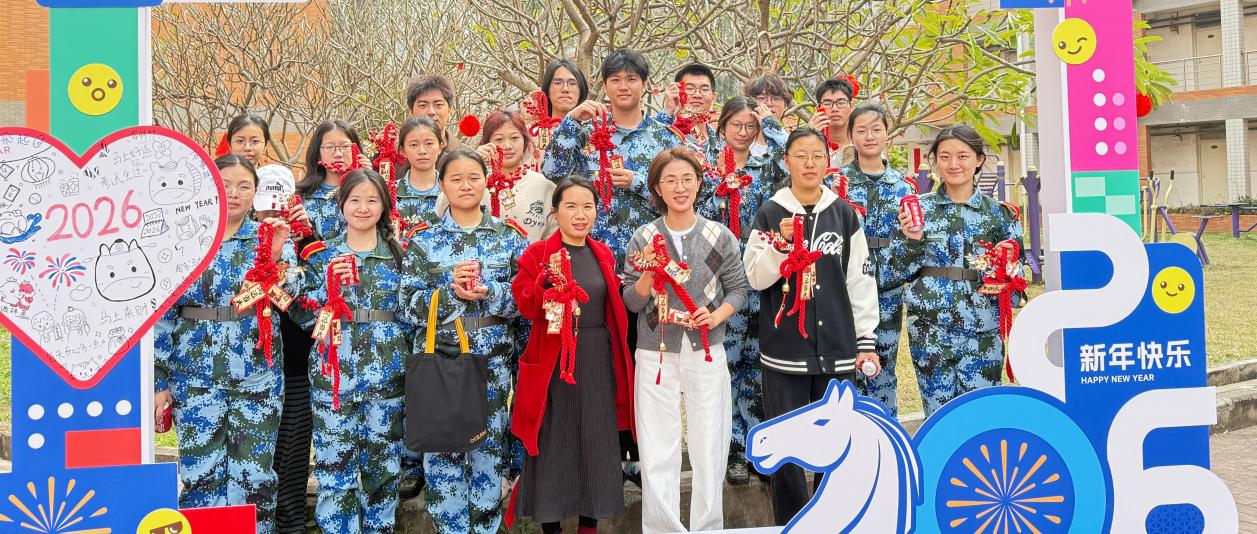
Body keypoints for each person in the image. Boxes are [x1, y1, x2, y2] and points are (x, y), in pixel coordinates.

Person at [154, 155, 301, 533]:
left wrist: (273, 260)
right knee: (201, 474)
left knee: (255, 477)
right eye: (225, 184)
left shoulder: (270, 237)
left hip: (258, 377)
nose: (234, 193)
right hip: (194, 376)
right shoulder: (185, 239)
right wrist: (158, 380)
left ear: (255, 193)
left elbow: (292, 295)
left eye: (244, 186)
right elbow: (163, 314)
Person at [742, 128, 880, 526]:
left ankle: (832, 519)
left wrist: (865, 340)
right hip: (785, 349)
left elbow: (859, 280)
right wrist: (778, 246)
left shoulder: (844, 214)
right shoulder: (770, 213)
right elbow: (755, 277)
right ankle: (792, 522)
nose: (809, 163)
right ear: (786, 160)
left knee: (836, 441)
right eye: (800, 155)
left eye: (817, 155)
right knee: (785, 441)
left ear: (827, 161)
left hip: (837, 346)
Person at [401, 147, 528, 534]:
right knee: (444, 458)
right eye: (455, 179)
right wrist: (451, 295)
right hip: (444, 364)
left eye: (474, 177)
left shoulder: (510, 237)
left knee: (488, 456)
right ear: (441, 185)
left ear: (486, 181)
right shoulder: (423, 242)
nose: (466, 185)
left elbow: (526, 302)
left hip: (493, 367)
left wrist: (492, 291)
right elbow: (408, 307)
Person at [622, 148, 748, 534]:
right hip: (655, 350)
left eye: (687, 179)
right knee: (658, 444)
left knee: (710, 441)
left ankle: (708, 527)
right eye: (670, 181)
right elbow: (631, 300)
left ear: (698, 183)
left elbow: (738, 290)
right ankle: (663, 528)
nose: (680, 188)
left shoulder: (719, 235)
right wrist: (648, 271)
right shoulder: (643, 236)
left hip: (705, 347)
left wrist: (716, 315)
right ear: (657, 189)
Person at [508, 177, 635, 534]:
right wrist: (546, 281)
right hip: (554, 361)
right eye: (571, 207)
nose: (580, 215)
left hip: (597, 357)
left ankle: (588, 525)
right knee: (553, 440)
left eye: (587, 207)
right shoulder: (537, 254)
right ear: (555, 212)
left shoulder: (603, 253)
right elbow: (526, 306)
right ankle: (551, 527)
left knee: (596, 438)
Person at [290, 169, 414, 533]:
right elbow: (299, 312)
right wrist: (328, 290)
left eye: (372, 200)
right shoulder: (320, 254)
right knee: (334, 473)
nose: (363, 208)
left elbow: (413, 315)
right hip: (333, 380)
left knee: (383, 473)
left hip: (387, 381)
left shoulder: (401, 255)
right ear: (341, 204)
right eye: (355, 200)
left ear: (384, 206)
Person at [885, 124, 1024, 417]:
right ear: (935, 161)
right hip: (930, 331)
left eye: (962, 156)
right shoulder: (916, 210)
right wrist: (911, 241)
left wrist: (1004, 274)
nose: (953, 164)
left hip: (982, 333)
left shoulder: (999, 215)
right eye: (945, 156)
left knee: (982, 418)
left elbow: (1016, 280)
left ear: (979, 160)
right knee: (939, 420)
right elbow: (895, 271)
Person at [695, 96, 786, 486]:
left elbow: (793, 158)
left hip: (762, 270)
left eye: (751, 126)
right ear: (722, 127)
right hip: (720, 275)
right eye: (736, 125)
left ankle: (759, 448)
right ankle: (731, 450)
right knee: (727, 365)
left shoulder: (767, 168)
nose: (744, 132)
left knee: (760, 364)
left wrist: (772, 124)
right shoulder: (704, 167)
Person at [542, 47, 680, 264]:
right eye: (615, 80)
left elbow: (680, 197)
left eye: (631, 79)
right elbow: (552, 172)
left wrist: (637, 182)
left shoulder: (665, 138)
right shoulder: (587, 132)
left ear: (644, 84)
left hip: (650, 255)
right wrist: (571, 121)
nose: (623, 87)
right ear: (605, 86)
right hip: (592, 255)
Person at [252, 163, 319, 534]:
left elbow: (318, 294)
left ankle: (290, 526)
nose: (273, 212)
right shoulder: (239, 241)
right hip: (250, 370)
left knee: (292, 457)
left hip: (295, 365)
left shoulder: (308, 239)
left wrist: (305, 237)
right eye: (266, 203)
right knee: (254, 460)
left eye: (281, 202)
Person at [841, 102, 918, 418]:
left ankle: (885, 433)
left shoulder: (904, 186)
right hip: (844, 290)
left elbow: (913, 241)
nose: (869, 136)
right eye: (861, 130)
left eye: (876, 129)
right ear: (851, 136)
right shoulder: (837, 183)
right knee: (844, 371)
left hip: (887, 292)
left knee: (882, 366)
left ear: (888, 134)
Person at [472, 110, 558, 241]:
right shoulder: (475, 183)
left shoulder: (545, 186)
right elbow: (444, 210)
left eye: (514, 138)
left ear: (525, 141)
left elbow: (554, 236)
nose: (507, 146)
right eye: (499, 139)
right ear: (487, 143)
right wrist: (472, 163)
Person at [296, 120, 371, 240]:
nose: (338, 154)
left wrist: (369, 182)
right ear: (318, 153)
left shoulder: (372, 191)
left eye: (345, 146)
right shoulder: (301, 196)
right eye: (329, 147)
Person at [525, 59, 590, 160]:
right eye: (558, 83)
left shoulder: (594, 132)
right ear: (547, 90)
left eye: (572, 83)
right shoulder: (535, 132)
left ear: (581, 90)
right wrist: (527, 122)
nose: (565, 89)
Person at [396, 115, 446, 232]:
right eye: (414, 145)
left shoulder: (450, 192)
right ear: (403, 150)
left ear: (440, 147)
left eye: (429, 144)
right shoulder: (390, 192)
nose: (422, 151)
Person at [661, 63, 719, 154]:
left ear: (713, 97)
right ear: (677, 93)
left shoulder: (721, 141)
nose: (697, 95)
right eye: (690, 88)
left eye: (704, 89)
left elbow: (698, 137)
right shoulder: (664, 130)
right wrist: (667, 111)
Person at [742, 74, 797, 160]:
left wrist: (771, 125)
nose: (769, 103)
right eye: (761, 98)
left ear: (786, 105)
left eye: (776, 98)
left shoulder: (793, 142)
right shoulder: (739, 141)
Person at [807, 77, 857, 168]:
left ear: (852, 107)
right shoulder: (807, 141)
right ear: (818, 109)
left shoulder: (862, 142)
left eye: (841, 102)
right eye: (827, 103)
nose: (835, 109)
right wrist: (808, 137)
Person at [406, 75, 458, 149]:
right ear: (411, 111)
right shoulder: (394, 152)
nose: (431, 112)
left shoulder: (465, 154)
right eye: (423, 105)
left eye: (438, 105)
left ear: (449, 109)